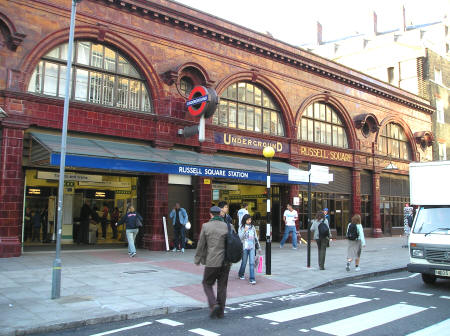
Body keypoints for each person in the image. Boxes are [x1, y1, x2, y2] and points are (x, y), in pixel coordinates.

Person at [194, 206, 231, 319]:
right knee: (222, 286)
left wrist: (197, 259)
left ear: (210, 214)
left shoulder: (206, 226)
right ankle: (221, 312)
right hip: (226, 262)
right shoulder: (228, 226)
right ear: (220, 214)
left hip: (212, 261)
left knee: (207, 283)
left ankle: (213, 304)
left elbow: (201, 245)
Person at [238, 214, 261, 284]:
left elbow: (256, 238)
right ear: (244, 220)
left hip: (252, 247)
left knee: (251, 263)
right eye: (248, 220)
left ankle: (252, 278)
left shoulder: (252, 227)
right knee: (244, 262)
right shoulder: (241, 227)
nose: (249, 221)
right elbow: (240, 238)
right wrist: (244, 231)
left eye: (250, 220)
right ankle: (241, 273)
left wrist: (259, 247)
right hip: (244, 248)